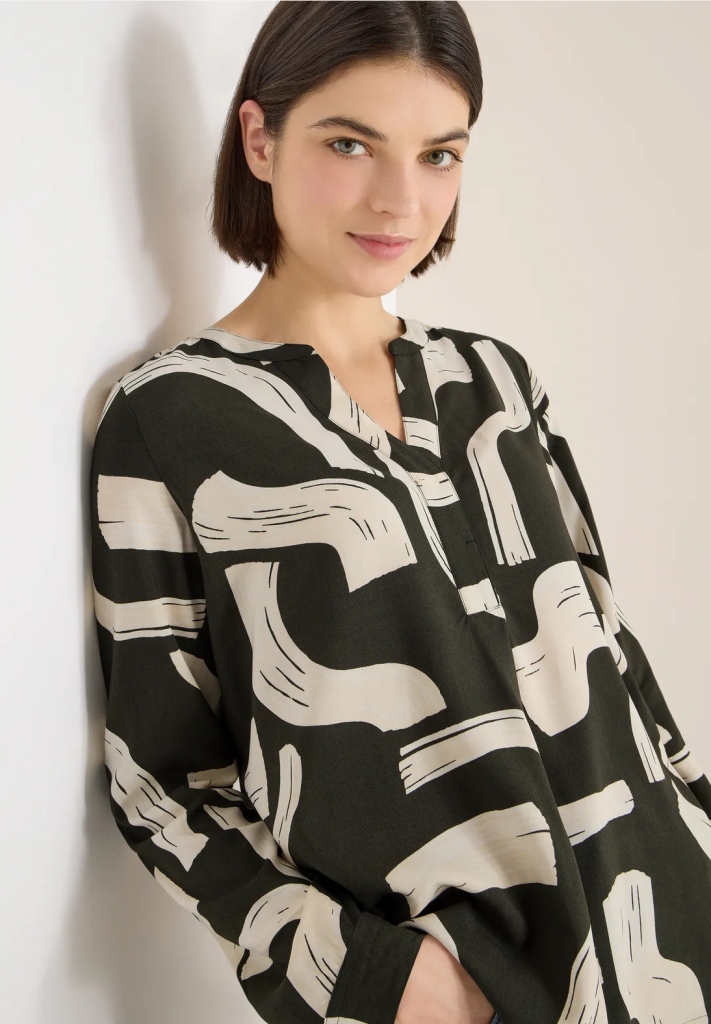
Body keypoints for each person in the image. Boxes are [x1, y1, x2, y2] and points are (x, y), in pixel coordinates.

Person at [89, 3, 711, 1023]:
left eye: (439, 155)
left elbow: (607, 642)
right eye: (350, 144)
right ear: (260, 139)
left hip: (674, 935)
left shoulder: (495, 380)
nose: (400, 200)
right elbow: (161, 783)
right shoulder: (173, 418)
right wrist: (381, 980)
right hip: (476, 991)